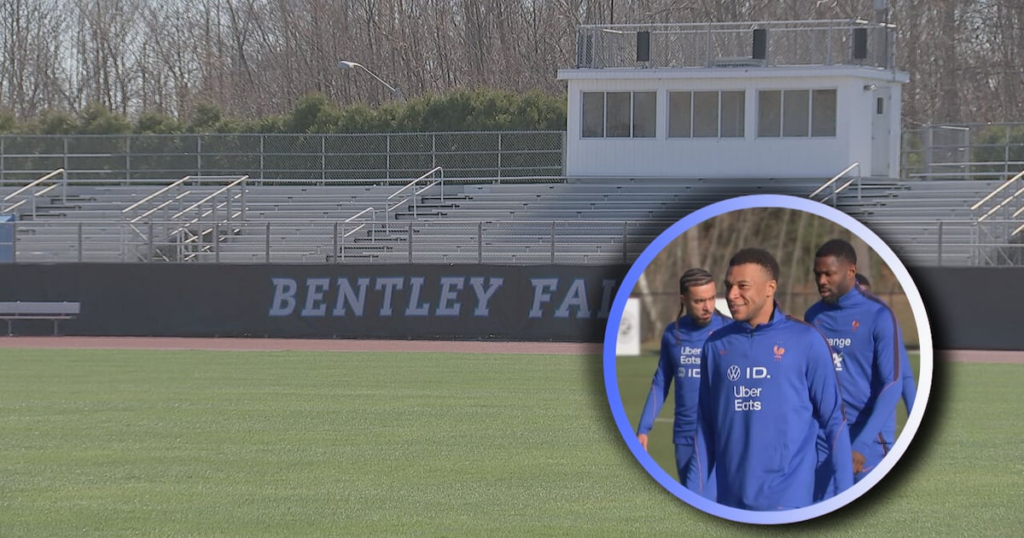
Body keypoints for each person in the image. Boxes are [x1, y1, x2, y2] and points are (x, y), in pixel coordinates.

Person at [685, 248, 853, 510]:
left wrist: (845, 495)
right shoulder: (715, 345)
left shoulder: (806, 340)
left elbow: (834, 420)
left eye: (742, 286)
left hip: (788, 504)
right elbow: (704, 428)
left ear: (770, 288)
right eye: (729, 286)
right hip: (730, 503)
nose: (731, 295)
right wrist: (691, 496)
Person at [806, 239, 908, 491]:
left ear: (851, 271)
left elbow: (894, 383)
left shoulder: (879, 315)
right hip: (824, 436)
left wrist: (862, 444)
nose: (821, 281)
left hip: (867, 437)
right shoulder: (813, 316)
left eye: (829, 274)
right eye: (817, 274)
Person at [636, 268, 730, 483]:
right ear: (683, 300)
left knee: (699, 495)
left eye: (711, 298)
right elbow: (660, 383)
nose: (707, 307)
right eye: (699, 301)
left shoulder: (730, 331)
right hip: (684, 435)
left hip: (719, 434)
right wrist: (643, 428)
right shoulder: (673, 334)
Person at [855, 273, 916, 413]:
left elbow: (904, 375)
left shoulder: (883, 324)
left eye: (867, 294)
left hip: (871, 414)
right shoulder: (823, 323)